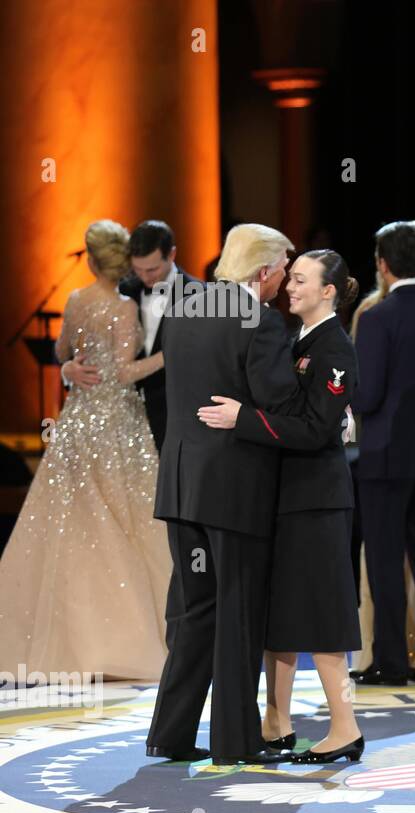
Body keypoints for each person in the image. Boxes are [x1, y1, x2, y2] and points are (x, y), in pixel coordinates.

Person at [197, 250, 365, 764]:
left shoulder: (334, 347)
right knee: (283, 613)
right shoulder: (301, 341)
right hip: (291, 498)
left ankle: (346, 727)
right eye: (289, 279)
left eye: (299, 280)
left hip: (317, 500)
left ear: (328, 290)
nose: (289, 287)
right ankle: (277, 722)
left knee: (324, 613)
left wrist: (244, 419)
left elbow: (316, 430)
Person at [147, 223, 301, 765]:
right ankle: (235, 742)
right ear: (263, 271)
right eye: (284, 268)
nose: (285, 280)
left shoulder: (181, 311)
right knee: (238, 610)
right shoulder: (260, 321)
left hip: (182, 483)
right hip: (234, 489)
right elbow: (278, 404)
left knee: (195, 610)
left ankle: (170, 732)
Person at [0, 220, 170, 681]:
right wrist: (171, 353)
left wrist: (72, 365)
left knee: (72, 525)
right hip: (118, 425)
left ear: (91, 259)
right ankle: (124, 643)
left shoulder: (76, 300)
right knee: (126, 525)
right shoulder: (122, 309)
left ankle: (72, 644)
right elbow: (125, 372)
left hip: (78, 422)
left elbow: (60, 349)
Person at [350, 222, 415, 686]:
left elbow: (368, 394)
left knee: (385, 559)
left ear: (382, 264)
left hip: (384, 455)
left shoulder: (375, 317)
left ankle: (390, 661)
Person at [113, 220, 199, 452]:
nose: (144, 277)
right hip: (127, 414)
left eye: (151, 269)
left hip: (177, 414)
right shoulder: (123, 290)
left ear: (172, 255)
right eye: (137, 270)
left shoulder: (200, 295)